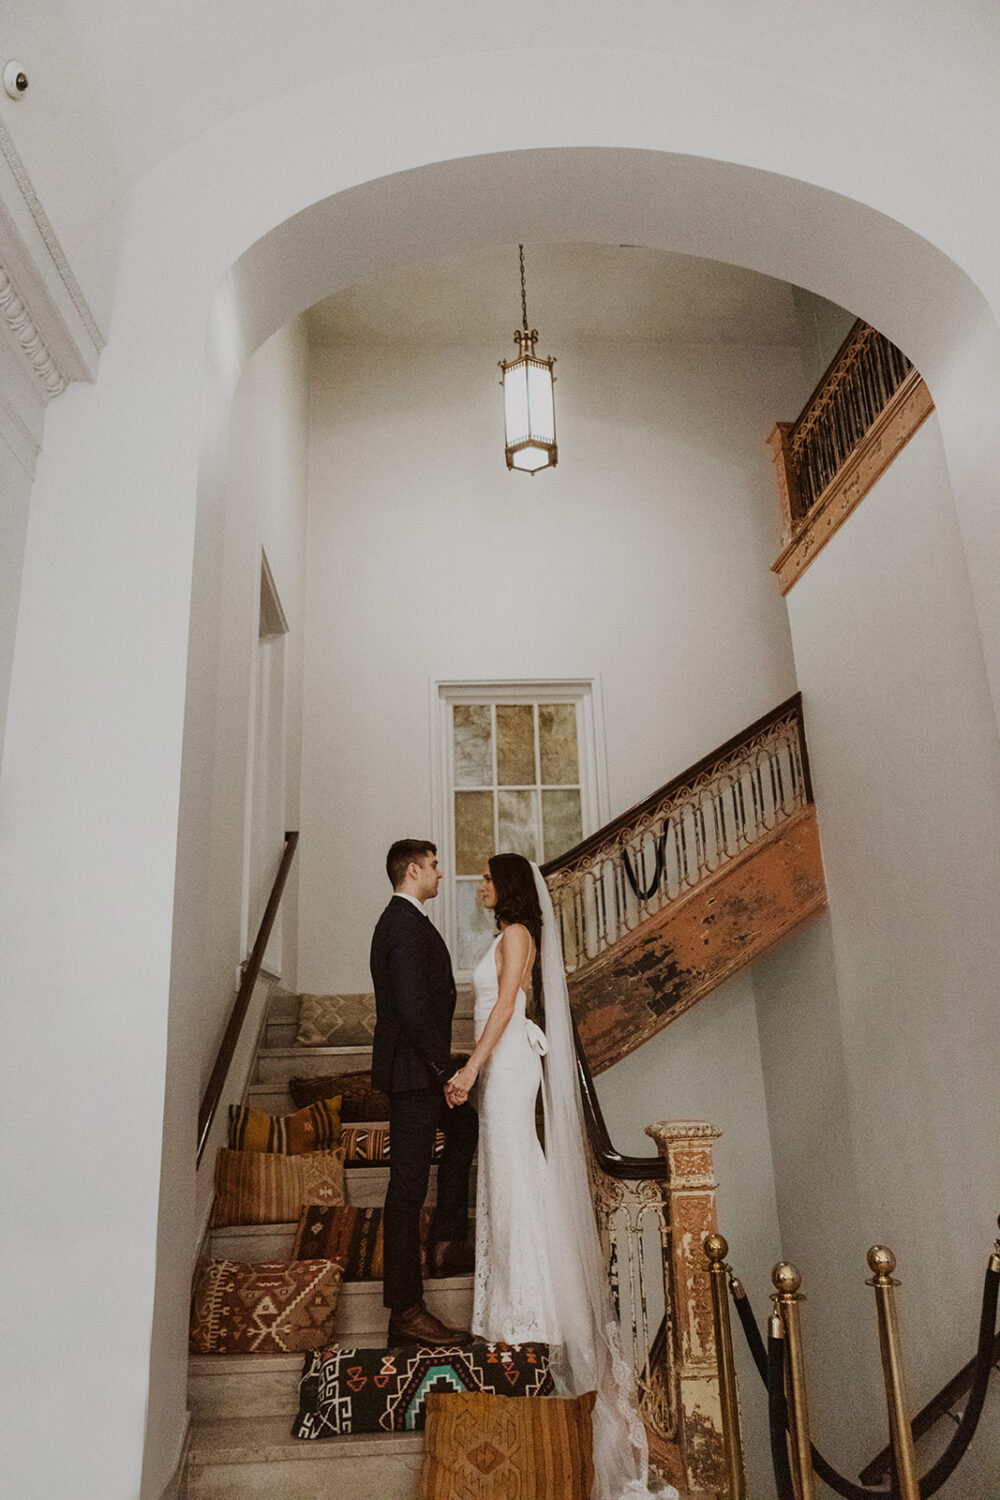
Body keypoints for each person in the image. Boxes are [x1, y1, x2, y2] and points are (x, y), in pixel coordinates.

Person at [446, 852, 676, 1500]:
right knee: (505, 1178)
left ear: (509, 888)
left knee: (519, 1175)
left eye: (489, 878)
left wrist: (470, 1068)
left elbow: (504, 1013)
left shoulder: (518, 936)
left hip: (511, 1064)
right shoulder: (503, 935)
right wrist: (475, 1069)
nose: (481, 887)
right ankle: (509, 1309)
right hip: (502, 1067)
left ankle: (529, 1313)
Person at [370, 839, 478, 1348]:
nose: (440, 872)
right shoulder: (402, 926)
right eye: (435, 865)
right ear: (413, 870)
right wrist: (444, 1073)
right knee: (406, 1191)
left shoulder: (406, 921)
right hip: (414, 1076)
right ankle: (406, 1311)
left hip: (420, 1072)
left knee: (467, 1126)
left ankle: (447, 1241)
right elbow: (413, 1011)